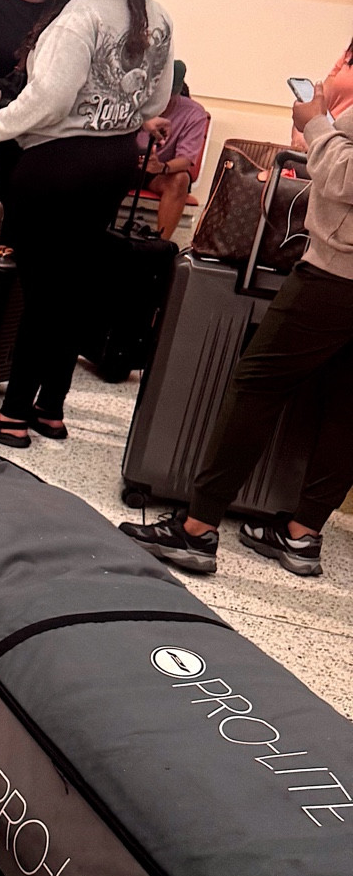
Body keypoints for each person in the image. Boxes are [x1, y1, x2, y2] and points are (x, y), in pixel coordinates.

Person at [0, 0, 174, 448]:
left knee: (41, 294)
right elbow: (155, 103)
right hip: (113, 163)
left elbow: (47, 101)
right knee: (71, 290)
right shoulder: (160, 19)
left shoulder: (81, 16)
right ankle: (52, 408)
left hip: (56, 168)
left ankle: (12, 418)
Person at [121, 64, 353, 578]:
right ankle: (302, 534)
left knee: (258, 386)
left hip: (339, 274)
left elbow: (345, 177)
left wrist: (315, 124)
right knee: (345, 405)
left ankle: (197, 530)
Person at [140, 59, 211, 240]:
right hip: (122, 163)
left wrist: (161, 167)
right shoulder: (134, 100)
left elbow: (186, 159)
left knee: (180, 179)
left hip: (158, 172)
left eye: (166, 95)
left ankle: (159, 245)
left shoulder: (194, 113)